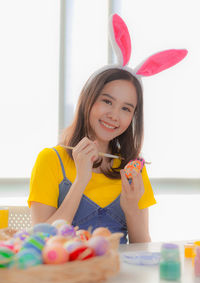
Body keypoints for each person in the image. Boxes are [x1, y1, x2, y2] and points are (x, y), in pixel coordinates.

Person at [27, 14, 187, 244]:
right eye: (107, 101)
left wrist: (131, 208)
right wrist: (80, 180)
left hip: (119, 276)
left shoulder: (133, 169)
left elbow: (142, 249)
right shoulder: (51, 160)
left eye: (126, 108)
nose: (114, 115)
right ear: (89, 100)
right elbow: (40, 242)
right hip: (67, 277)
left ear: (133, 117)